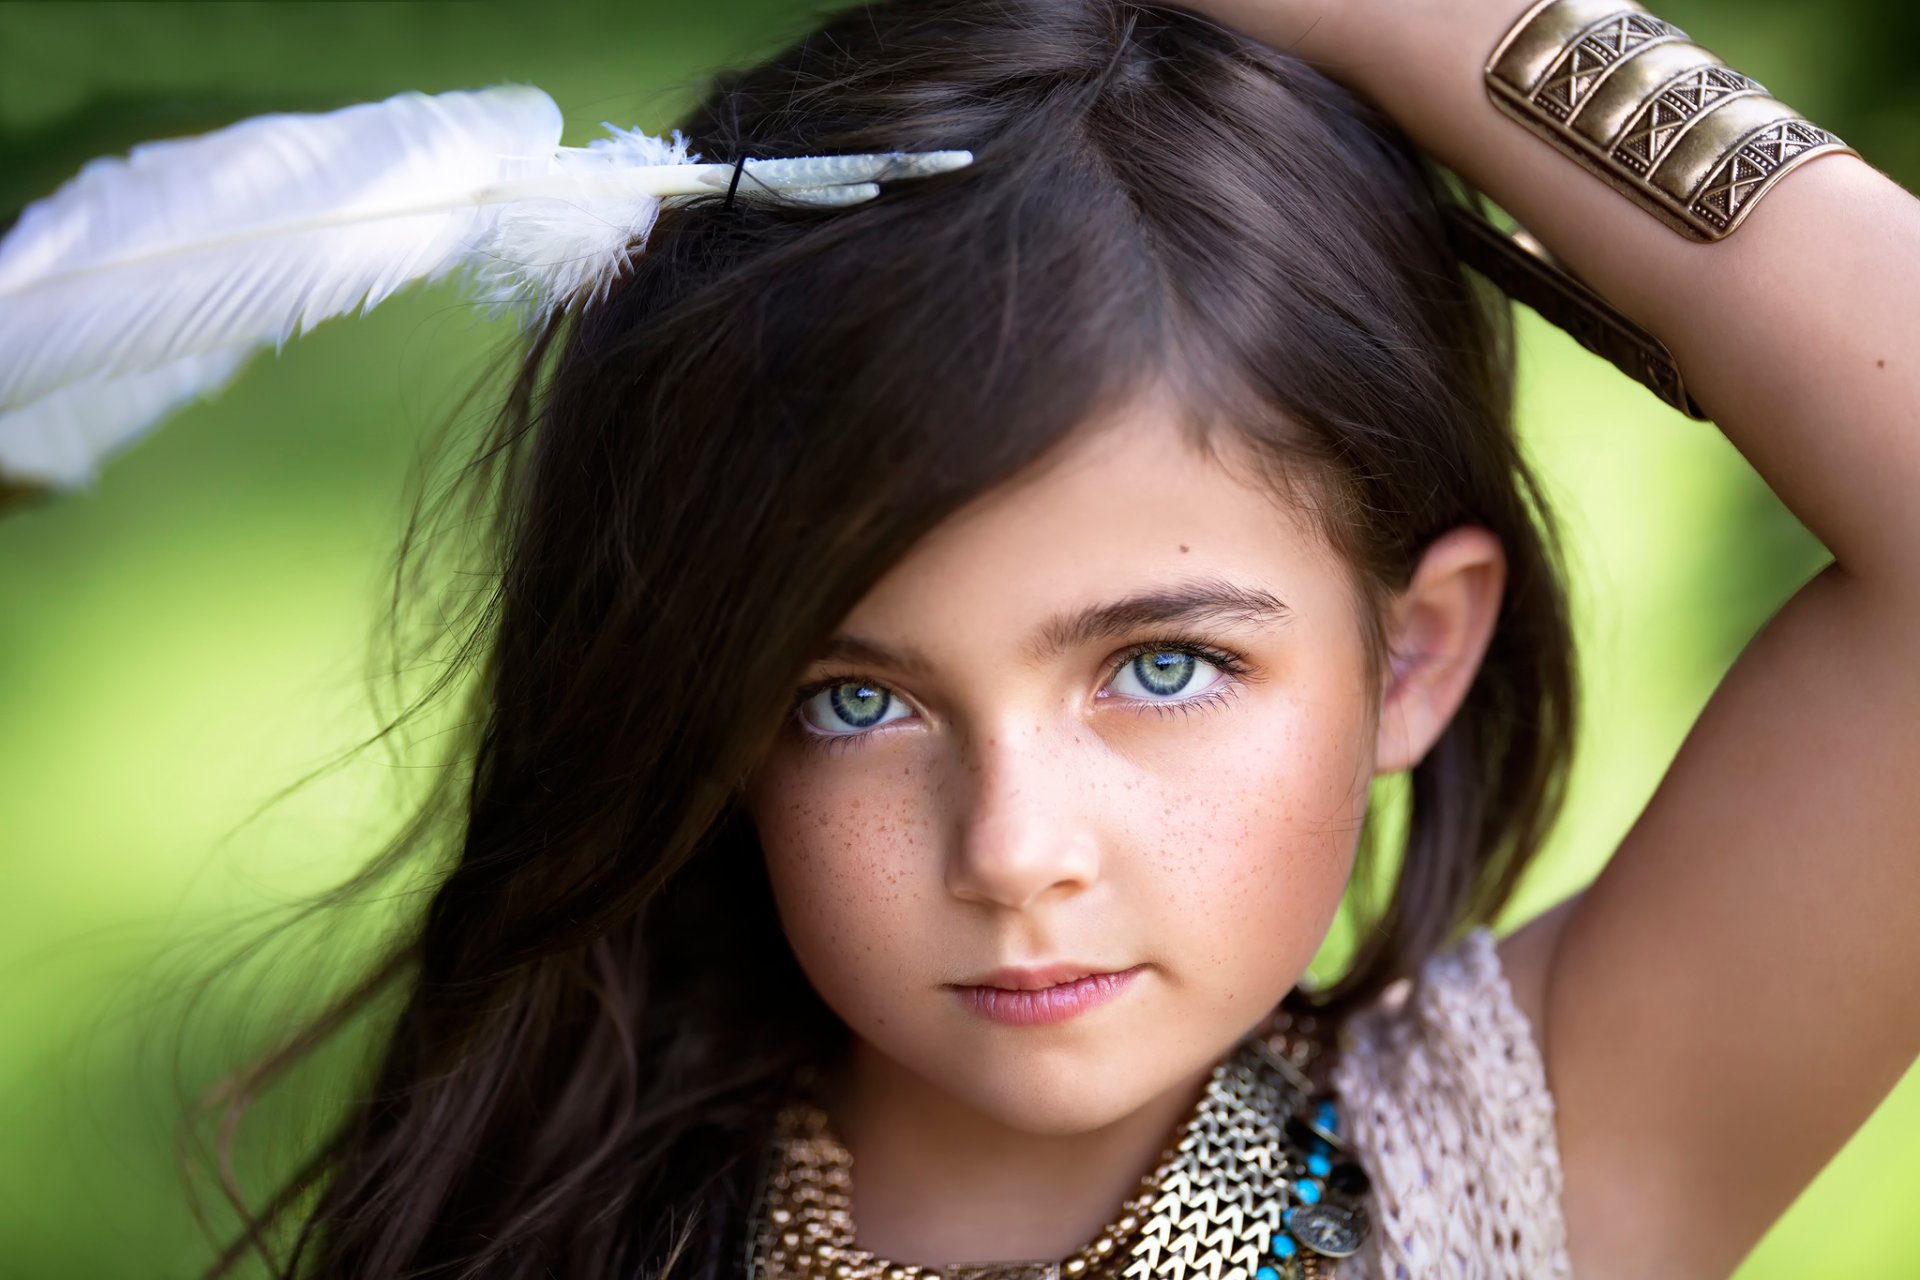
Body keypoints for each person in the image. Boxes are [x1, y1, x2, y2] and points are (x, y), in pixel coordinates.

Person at [136, 0, 1915, 1276]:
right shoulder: (549, 1217)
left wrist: (1418, 17)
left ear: (1416, 653)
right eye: (850, 698)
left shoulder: (1511, 1172)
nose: (1012, 852)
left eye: (1161, 667)